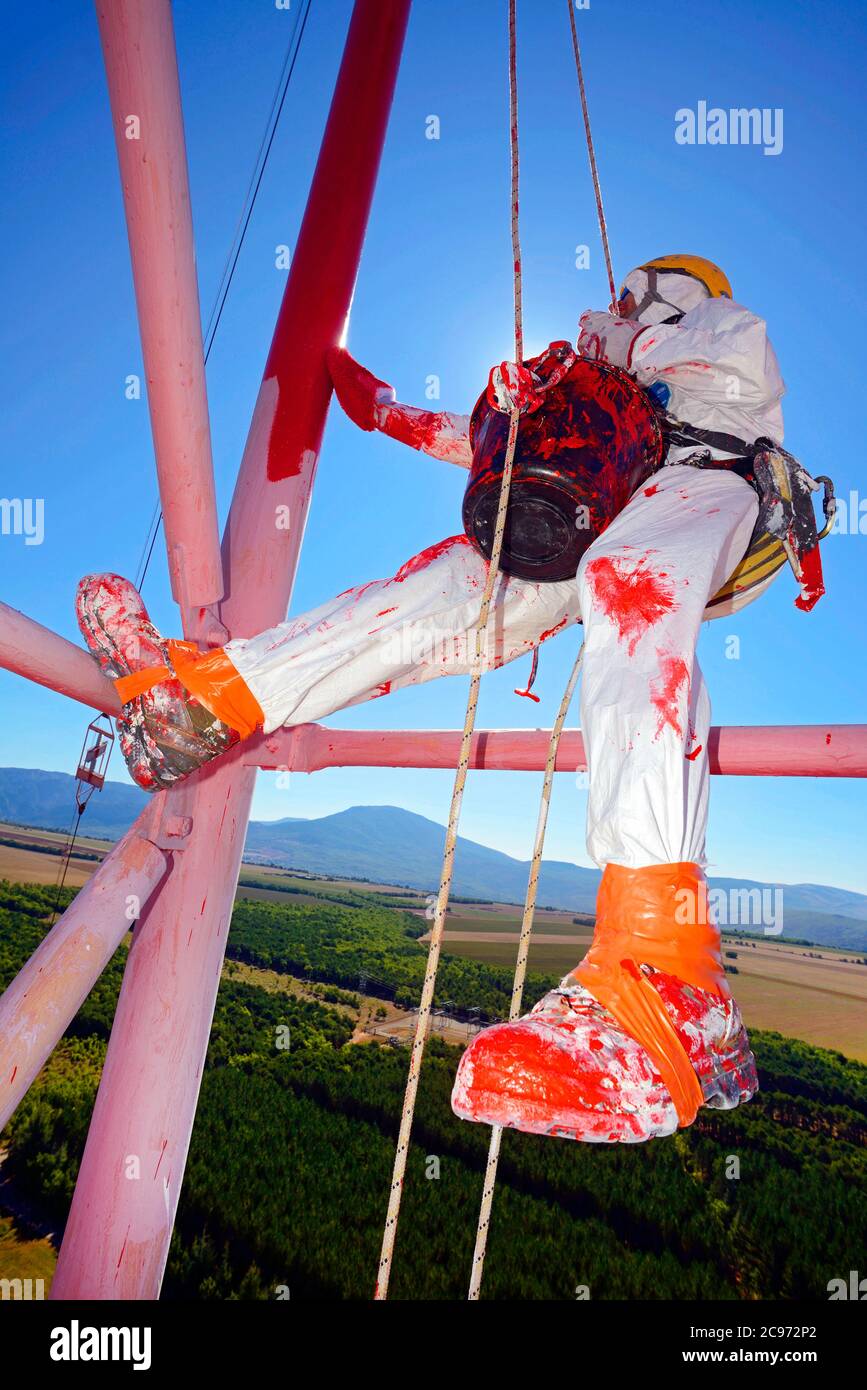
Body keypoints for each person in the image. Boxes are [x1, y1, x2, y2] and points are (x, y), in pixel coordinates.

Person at [77, 254, 825, 1144]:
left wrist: (607, 348)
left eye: (642, 286)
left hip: (707, 483)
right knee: (452, 585)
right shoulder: (599, 381)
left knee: (632, 581)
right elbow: (496, 447)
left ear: (681, 291)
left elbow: (704, 384)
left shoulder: (717, 329)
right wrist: (385, 407)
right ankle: (207, 702)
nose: (620, 296)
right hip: (603, 499)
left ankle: (668, 972)